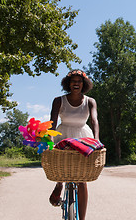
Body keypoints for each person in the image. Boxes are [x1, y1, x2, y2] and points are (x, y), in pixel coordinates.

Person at [48, 69, 99, 220]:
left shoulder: (90, 101)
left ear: (84, 84)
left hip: (83, 136)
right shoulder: (59, 100)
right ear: (68, 84)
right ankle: (59, 184)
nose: (76, 84)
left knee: (82, 179)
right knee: (61, 166)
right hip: (63, 134)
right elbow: (52, 122)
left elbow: (94, 121)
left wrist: (97, 141)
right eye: (73, 81)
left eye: (79, 81)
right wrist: (50, 139)